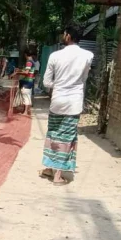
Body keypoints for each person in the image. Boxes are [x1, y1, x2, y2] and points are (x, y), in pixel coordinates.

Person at [41, 25, 93, 185]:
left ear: (69, 36)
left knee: (53, 134)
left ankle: (50, 169)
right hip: (74, 102)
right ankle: (58, 175)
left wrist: (60, 84)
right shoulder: (88, 55)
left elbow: (47, 82)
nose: (63, 36)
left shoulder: (55, 56)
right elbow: (84, 78)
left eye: (64, 34)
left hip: (57, 101)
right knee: (67, 137)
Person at [13, 49, 36, 116]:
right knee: (27, 96)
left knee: (26, 96)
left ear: (25, 54)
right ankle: (27, 111)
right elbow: (27, 70)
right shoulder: (32, 62)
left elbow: (26, 72)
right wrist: (20, 70)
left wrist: (17, 73)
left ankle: (25, 112)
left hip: (27, 81)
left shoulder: (29, 62)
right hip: (30, 81)